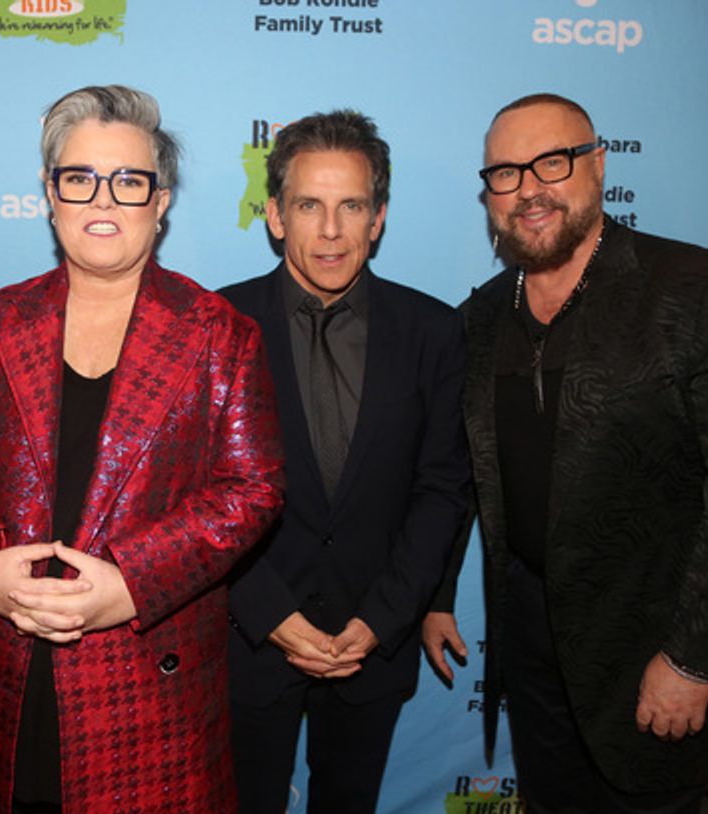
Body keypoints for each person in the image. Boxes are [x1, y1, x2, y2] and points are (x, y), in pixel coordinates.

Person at [0, 84, 285, 814]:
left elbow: (252, 489)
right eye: (79, 179)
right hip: (5, 685)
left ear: (161, 200)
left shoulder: (219, 335)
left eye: (128, 181)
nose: (102, 199)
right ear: (51, 196)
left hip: (149, 694)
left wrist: (132, 583)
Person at [422, 93, 708, 813]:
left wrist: (693, 659)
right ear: (488, 194)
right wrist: (437, 597)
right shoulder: (480, 318)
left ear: (597, 166)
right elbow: (466, 471)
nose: (529, 189)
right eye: (505, 173)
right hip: (533, 655)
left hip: (660, 646)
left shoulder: (699, 289)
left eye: (551, 163)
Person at [220, 110, 471, 814]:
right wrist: (271, 615)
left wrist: (383, 620)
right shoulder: (217, 326)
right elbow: (195, 499)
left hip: (374, 645)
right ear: (274, 215)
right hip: (250, 642)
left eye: (351, 206)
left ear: (378, 218)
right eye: (309, 205)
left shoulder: (434, 332)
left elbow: (443, 490)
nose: (330, 231)